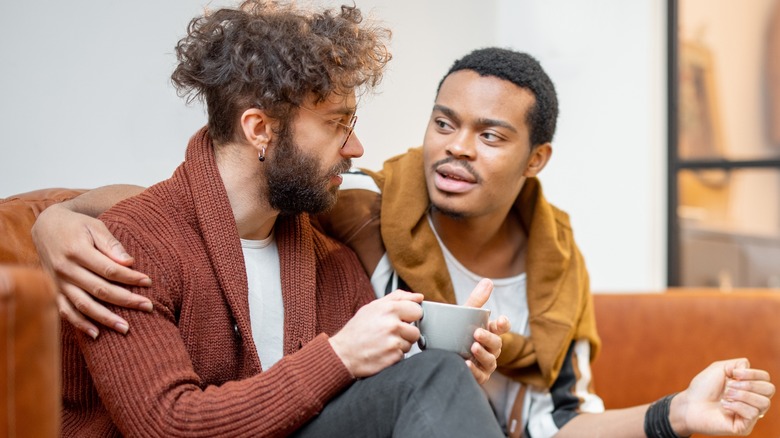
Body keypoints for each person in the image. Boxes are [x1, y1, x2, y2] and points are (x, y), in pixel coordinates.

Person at [34, 45, 774, 438]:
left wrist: (670, 415)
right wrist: (58, 217)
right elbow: (193, 207)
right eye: (442, 123)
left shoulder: (558, 275)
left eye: (489, 135)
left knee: (441, 377)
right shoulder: (359, 215)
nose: (455, 150)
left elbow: (550, 424)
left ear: (535, 159)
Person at [38, 2, 511, 436]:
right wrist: (340, 355)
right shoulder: (125, 249)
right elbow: (166, 425)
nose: (355, 148)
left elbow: (364, 401)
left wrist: (444, 382)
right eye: (335, 124)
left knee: (437, 376)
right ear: (260, 129)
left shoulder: (333, 263)